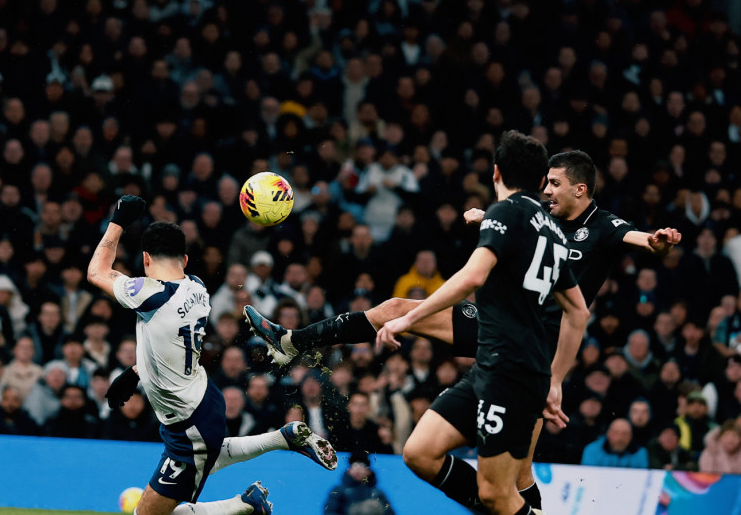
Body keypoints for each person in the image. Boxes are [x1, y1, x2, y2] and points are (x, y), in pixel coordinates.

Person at [246, 149, 680, 511]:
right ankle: (291, 342)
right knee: (395, 306)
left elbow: (636, 241)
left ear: (581, 189)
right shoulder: (538, 219)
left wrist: (655, 241)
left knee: (519, 476)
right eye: (543, 182)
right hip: (498, 328)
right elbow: (513, 228)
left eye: (555, 183)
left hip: (534, 352)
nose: (546, 190)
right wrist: (491, 219)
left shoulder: (601, 226)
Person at [377, 131, 590, 515]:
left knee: (497, 494)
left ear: (495, 173)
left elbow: (473, 277)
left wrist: (409, 317)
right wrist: (555, 379)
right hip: (493, 369)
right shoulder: (553, 231)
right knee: (419, 452)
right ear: (541, 181)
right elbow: (579, 311)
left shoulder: (504, 212)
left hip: (512, 374)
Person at [87, 195, 338, 515]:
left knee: (148, 514)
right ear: (186, 261)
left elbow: (97, 272)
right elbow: (167, 342)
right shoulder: (197, 288)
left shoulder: (147, 294)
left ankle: (244, 506)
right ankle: (282, 440)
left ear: (146, 259)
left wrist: (118, 221)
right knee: (207, 456)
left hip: (186, 420)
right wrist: (136, 372)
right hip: (203, 402)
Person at [323, 451, 396, 515]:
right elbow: (329, 512)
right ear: (349, 470)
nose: (358, 470)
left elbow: (390, 513)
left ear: (368, 472)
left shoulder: (377, 493)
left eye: (362, 466)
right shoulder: (338, 491)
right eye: (355, 466)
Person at [580, 418, 650, 469]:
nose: (620, 438)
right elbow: (588, 476)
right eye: (616, 433)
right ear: (608, 434)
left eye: (625, 434)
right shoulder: (592, 450)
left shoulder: (640, 453)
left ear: (631, 436)